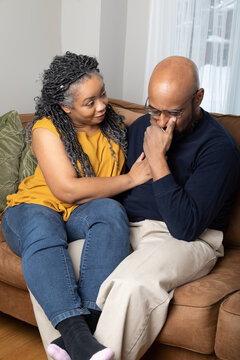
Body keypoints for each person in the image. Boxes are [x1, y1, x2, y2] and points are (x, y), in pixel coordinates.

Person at [20, 55, 240, 360]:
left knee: (129, 284)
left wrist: (158, 160)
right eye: (154, 109)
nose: (162, 121)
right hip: (130, 227)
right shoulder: (139, 129)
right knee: (50, 271)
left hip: (187, 239)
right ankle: (77, 351)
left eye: (173, 112)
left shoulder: (220, 148)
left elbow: (185, 227)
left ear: (198, 98)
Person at [1, 52, 152, 360]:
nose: (102, 105)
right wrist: (132, 179)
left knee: (111, 211)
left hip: (77, 216)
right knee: (44, 227)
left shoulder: (111, 119)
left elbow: (153, 121)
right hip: (32, 209)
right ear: (65, 107)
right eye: (90, 102)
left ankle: (81, 335)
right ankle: (77, 336)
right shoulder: (46, 128)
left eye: (103, 94)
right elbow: (67, 189)